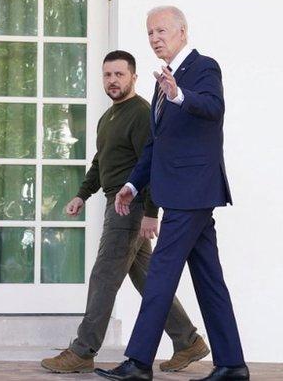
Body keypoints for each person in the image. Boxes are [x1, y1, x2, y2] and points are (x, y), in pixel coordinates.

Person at [95, 8, 248, 381]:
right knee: (209, 278)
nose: (154, 38)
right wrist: (131, 185)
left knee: (160, 273)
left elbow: (214, 108)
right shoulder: (162, 82)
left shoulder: (202, 68)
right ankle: (232, 365)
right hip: (180, 191)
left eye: (161, 30)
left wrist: (180, 95)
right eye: (149, 33)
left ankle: (138, 363)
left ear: (182, 31)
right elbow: (156, 145)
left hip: (192, 190)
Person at [41, 50, 209, 374]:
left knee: (104, 277)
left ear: (133, 76)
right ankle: (188, 341)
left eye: (119, 74)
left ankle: (83, 350)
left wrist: (149, 213)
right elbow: (99, 162)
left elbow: (153, 164)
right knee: (148, 280)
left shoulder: (142, 114)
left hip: (128, 207)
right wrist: (81, 195)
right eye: (107, 75)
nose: (113, 81)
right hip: (112, 202)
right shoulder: (109, 117)